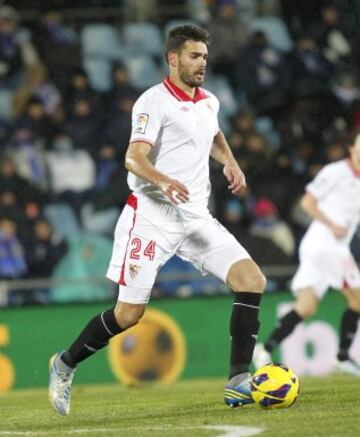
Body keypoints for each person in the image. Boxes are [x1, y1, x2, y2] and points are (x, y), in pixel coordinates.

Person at [48, 24, 266, 415]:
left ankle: (237, 380)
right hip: (151, 218)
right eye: (194, 56)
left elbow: (212, 134)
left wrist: (230, 160)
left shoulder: (209, 101)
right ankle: (65, 363)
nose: (202, 63)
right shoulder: (153, 102)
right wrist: (163, 180)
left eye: (204, 56)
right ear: (173, 58)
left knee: (252, 280)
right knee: (129, 314)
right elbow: (133, 157)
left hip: (195, 217)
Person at [254, 131, 360, 375]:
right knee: (357, 299)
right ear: (352, 150)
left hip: (328, 247)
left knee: (306, 305)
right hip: (324, 244)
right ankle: (342, 356)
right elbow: (307, 203)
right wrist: (332, 224)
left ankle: (265, 348)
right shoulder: (335, 172)